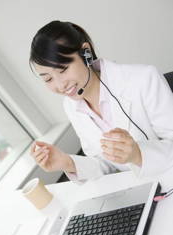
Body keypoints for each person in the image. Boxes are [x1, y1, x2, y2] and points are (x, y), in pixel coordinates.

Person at [29, 20, 173, 184]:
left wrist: (138, 154)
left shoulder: (144, 79)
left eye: (63, 69)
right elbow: (105, 164)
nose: (60, 85)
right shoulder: (71, 106)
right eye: (48, 79)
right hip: (139, 189)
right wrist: (67, 163)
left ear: (86, 53)